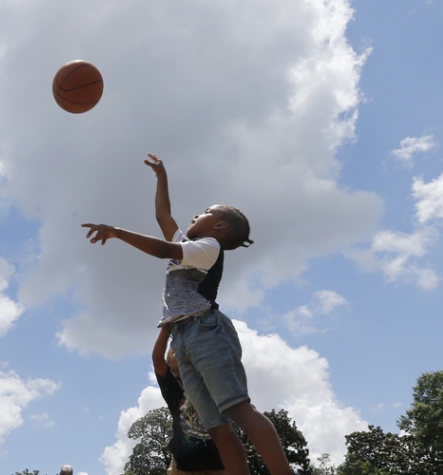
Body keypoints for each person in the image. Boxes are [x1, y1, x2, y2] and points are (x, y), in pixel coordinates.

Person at [81, 153, 292, 475]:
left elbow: (164, 249)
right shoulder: (192, 244)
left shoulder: (209, 247)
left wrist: (118, 232)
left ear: (219, 226)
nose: (196, 214)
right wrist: (161, 176)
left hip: (206, 329)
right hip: (183, 337)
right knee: (215, 426)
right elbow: (163, 215)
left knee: (237, 407)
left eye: (206, 212)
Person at [153, 324, 225, 475]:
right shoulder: (175, 389)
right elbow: (158, 361)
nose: (182, 349)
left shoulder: (213, 382)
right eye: (175, 350)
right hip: (183, 467)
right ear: (172, 369)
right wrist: (166, 329)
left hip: (221, 464)